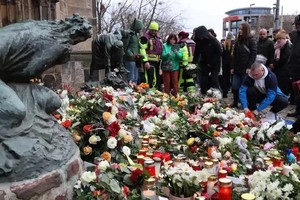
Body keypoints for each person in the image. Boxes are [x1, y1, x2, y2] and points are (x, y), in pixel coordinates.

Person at [231, 22, 257, 108]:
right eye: (239, 29)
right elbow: (234, 55)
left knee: (244, 88)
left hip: (246, 68)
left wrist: (249, 67)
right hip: (237, 67)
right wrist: (232, 67)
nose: (239, 30)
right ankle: (235, 102)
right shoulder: (238, 40)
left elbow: (253, 54)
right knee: (235, 86)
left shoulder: (251, 40)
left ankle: (244, 104)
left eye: (241, 29)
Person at [192, 25, 222, 95]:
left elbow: (219, 52)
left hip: (215, 62)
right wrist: (193, 64)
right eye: (199, 37)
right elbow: (197, 53)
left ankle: (217, 94)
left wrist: (212, 63)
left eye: (201, 36)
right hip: (205, 62)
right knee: (203, 80)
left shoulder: (213, 40)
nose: (200, 38)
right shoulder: (199, 42)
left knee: (214, 79)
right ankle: (203, 94)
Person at [140, 21, 163, 90]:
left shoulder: (159, 38)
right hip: (149, 61)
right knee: (150, 77)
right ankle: (148, 91)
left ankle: (154, 90)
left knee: (157, 77)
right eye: (152, 30)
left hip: (158, 62)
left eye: (155, 30)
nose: (153, 32)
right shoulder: (145, 37)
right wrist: (145, 61)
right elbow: (142, 49)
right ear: (149, 29)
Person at [121, 18, 144, 85]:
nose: (140, 30)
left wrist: (139, 55)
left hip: (136, 59)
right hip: (129, 59)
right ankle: (130, 91)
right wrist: (131, 55)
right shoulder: (129, 34)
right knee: (131, 77)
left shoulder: (136, 35)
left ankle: (135, 91)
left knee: (136, 77)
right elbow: (125, 47)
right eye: (139, 28)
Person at [272, 30, 292, 96]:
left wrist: (274, 65)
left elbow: (284, 59)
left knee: (283, 86)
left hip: (284, 71)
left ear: (284, 38)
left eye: (280, 38)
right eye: (277, 38)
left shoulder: (286, 46)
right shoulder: (277, 46)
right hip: (278, 70)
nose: (278, 40)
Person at [287, 14, 300, 117]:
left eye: (298, 24)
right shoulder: (295, 35)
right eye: (296, 24)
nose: (296, 26)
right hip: (295, 69)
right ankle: (298, 110)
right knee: (297, 93)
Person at [221, 32, 235, 98]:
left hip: (225, 63)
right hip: (232, 62)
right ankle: (233, 91)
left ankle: (224, 93)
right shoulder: (234, 43)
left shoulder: (224, 43)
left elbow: (223, 54)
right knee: (233, 77)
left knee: (225, 78)